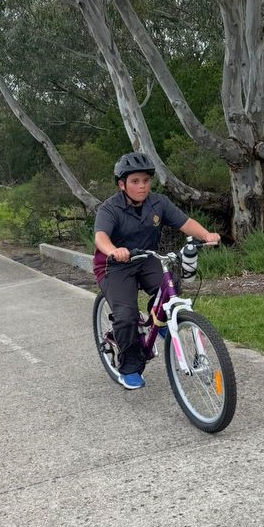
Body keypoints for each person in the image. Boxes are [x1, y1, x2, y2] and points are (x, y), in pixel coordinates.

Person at [93, 152, 220, 391]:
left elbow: (185, 222)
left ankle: (159, 320)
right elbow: (101, 237)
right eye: (135, 182)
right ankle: (130, 367)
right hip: (115, 265)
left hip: (147, 258)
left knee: (170, 282)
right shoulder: (109, 209)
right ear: (122, 184)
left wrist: (206, 235)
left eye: (145, 181)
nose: (142, 187)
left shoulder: (158, 203)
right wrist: (113, 250)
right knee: (126, 315)